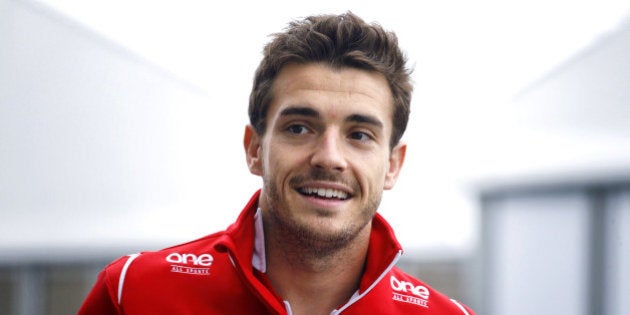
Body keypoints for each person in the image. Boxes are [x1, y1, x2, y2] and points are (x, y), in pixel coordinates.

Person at [78, 12, 475, 315]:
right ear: (254, 148)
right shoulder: (133, 294)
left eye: (359, 135)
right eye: (300, 128)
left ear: (392, 165)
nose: (329, 158)